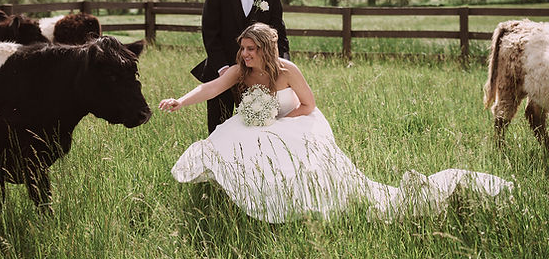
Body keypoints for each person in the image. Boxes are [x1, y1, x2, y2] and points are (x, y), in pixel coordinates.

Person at [161, 23, 513, 223]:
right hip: (258, 123)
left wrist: (275, 120)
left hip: (294, 121)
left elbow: (309, 105)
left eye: (251, 49)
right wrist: (180, 100)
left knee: (289, 157)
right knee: (226, 140)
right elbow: (211, 87)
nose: (245, 54)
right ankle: (240, 200)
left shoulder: (287, 71)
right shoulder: (241, 71)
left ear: (266, 49)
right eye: (244, 49)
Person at [191, 0, 290, 135]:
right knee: (219, 130)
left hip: (259, 76)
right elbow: (210, 33)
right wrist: (222, 68)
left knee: (257, 130)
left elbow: (279, 34)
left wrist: (281, 66)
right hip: (222, 71)